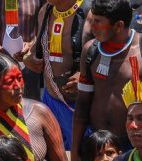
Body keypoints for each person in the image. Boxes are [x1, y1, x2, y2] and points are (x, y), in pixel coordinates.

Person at [71, 0, 142, 161]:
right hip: (98, 147)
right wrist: (75, 154)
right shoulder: (91, 51)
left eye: (98, 21)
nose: (91, 27)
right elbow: (82, 104)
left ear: (119, 25)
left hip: (134, 148)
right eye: (91, 20)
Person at [25, 0, 92, 152]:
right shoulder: (45, 11)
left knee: (84, 158)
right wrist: (29, 58)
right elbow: (38, 48)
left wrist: (84, 76)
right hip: (50, 99)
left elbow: (106, 54)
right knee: (53, 156)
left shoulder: (90, 12)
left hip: (78, 105)